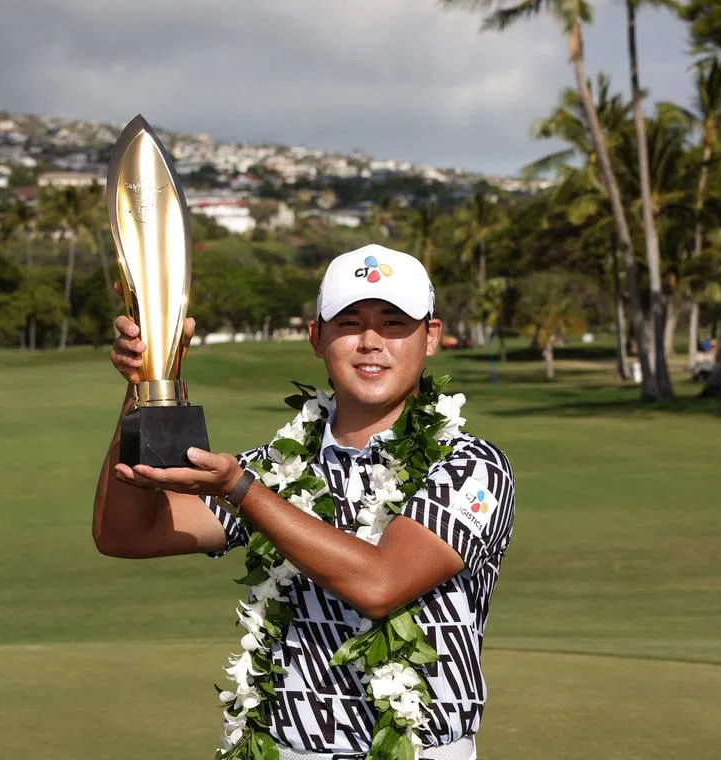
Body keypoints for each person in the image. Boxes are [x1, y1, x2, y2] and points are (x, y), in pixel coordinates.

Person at [94, 245, 514, 760]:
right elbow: (127, 534)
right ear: (317, 337)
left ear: (429, 338)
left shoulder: (472, 465)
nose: (370, 342)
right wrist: (145, 387)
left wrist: (240, 490)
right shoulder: (275, 468)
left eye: (393, 323)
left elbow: (380, 584)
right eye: (349, 322)